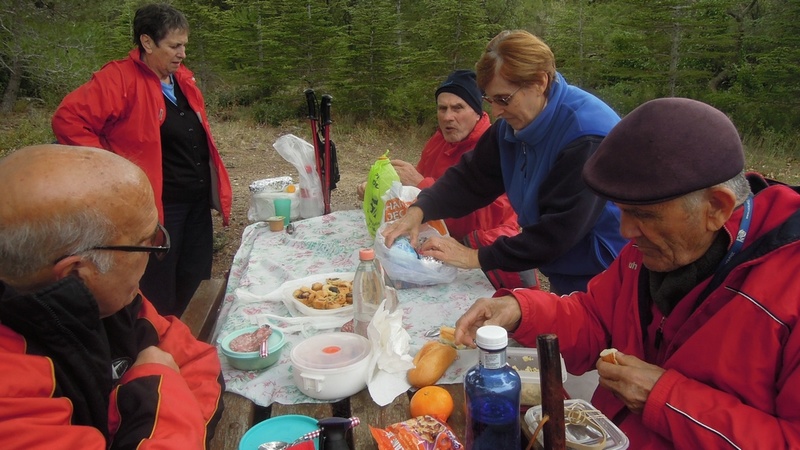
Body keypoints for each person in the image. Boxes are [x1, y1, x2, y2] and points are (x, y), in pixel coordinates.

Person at [453, 98, 800, 448]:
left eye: (644, 215)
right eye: (621, 211)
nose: (626, 231)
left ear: (717, 207)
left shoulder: (786, 287)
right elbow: (595, 319)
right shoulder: (654, 248)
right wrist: (522, 310)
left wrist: (664, 398)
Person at [0, 145, 225, 448]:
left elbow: (196, 361)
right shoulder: (11, 391)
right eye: (149, 243)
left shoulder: (104, 300)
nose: (157, 252)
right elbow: (169, 367)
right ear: (76, 273)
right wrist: (158, 382)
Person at [383, 30, 628, 295]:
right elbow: (470, 180)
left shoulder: (585, 136)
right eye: (489, 99)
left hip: (607, 273)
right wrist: (420, 209)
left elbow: (557, 233)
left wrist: (473, 257)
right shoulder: (515, 125)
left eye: (503, 99)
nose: (496, 111)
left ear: (540, 82)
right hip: (566, 267)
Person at [52, 3, 232, 317]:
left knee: (195, 277)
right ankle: (157, 347)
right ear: (147, 42)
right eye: (174, 46)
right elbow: (69, 119)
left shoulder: (182, 80)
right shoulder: (118, 79)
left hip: (195, 202)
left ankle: (193, 345)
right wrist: (109, 170)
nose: (182, 54)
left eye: (184, 45)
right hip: (157, 208)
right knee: (157, 287)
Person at [359, 69, 532, 289]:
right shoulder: (438, 141)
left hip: (490, 256)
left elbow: (486, 214)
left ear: (478, 112)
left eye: (458, 108)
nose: (448, 117)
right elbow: (415, 195)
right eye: (443, 108)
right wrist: (380, 190)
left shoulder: (493, 145)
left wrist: (422, 184)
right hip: (439, 248)